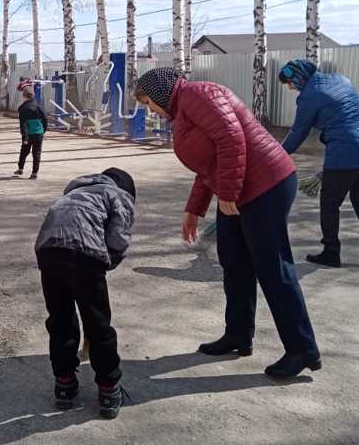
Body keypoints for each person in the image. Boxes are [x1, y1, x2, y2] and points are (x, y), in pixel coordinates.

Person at [135, 67, 320, 379]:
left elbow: (231, 140)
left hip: (266, 185)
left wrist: (228, 193)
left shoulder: (197, 94)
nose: (150, 109)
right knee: (234, 261)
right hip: (238, 189)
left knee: (273, 268)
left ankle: (302, 349)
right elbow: (208, 161)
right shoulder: (182, 109)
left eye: (149, 102)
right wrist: (194, 208)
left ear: (160, 92)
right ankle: (238, 334)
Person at [35, 168, 135, 419]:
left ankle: (64, 384)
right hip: (85, 256)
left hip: (48, 252)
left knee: (60, 320)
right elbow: (118, 238)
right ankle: (109, 389)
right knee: (98, 324)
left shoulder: (73, 193)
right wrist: (106, 263)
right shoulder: (117, 195)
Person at [280, 59, 359, 266]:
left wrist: (277, 154)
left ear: (299, 77)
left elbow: (298, 132)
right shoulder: (341, 79)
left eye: (290, 82)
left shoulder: (309, 96)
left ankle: (331, 251)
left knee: (329, 203)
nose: (290, 87)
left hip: (346, 153)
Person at [15, 87, 47, 180]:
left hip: (28, 134)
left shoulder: (23, 108)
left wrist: (24, 138)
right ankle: (34, 173)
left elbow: (23, 125)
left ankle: (20, 168)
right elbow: (45, 119)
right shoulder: (39, 106)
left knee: (24, 151)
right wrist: (43, 130)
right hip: (39, 133)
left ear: (24, 96)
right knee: (36, 153)